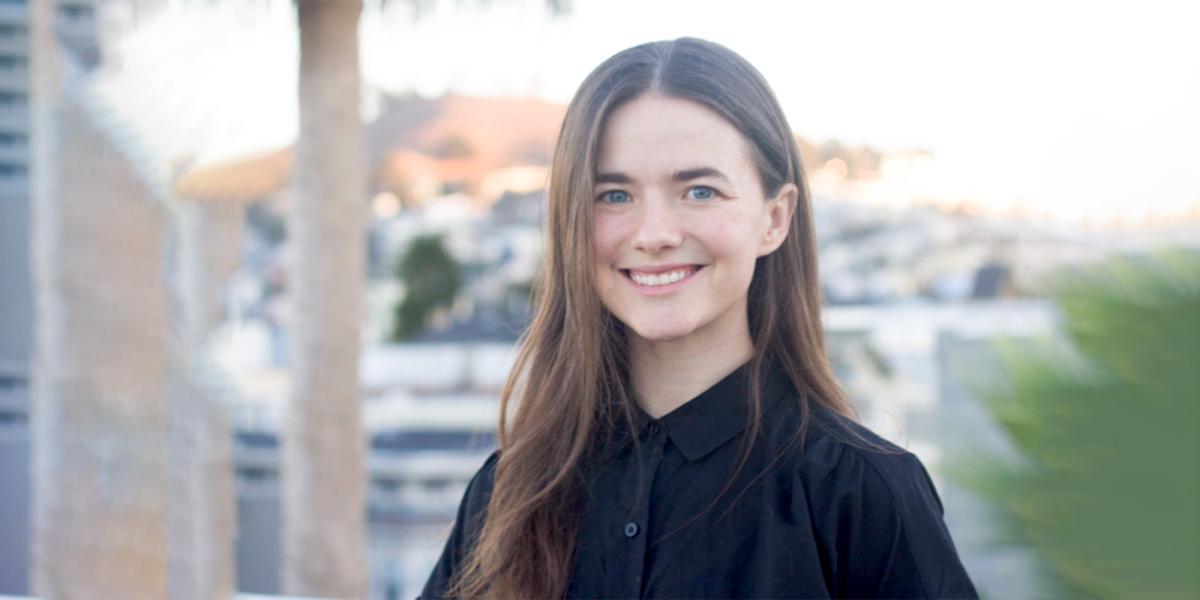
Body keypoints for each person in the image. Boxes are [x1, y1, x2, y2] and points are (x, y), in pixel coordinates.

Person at [420, 37, 979, 599]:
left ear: (775, 218)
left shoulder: (860, 493)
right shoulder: (510, 492)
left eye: (700, 190)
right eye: (614, 196)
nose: (656, 233)